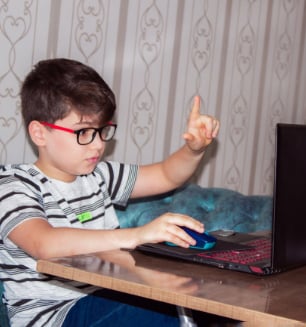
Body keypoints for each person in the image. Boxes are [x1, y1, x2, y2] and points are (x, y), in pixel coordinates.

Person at [0, 58, 220, 327]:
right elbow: (44, 244)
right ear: (40, 133)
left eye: (102, 131)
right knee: (154, 304)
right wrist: (137, 235)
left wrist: (193, 150)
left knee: (180, 294)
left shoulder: (99, 176)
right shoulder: (13, 186)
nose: (98, 145)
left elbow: (165, 175)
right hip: (54, 316)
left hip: (104, 298)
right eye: (83, 133)